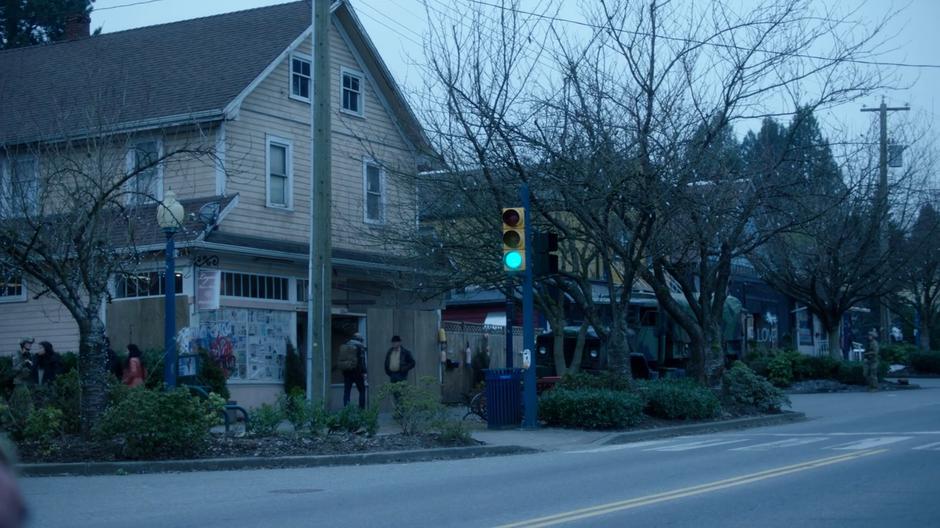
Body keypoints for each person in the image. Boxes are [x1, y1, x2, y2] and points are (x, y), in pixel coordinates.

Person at [339, 333, 368, 409]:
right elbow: (362, 361)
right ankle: (361, 410)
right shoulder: (360, 347)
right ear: (359, 339)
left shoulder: (346, 344)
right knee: (362, 390)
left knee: (347, 392)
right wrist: (364, 372)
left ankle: (346, 410)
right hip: (357, 372)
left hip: (347, 372)